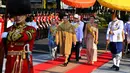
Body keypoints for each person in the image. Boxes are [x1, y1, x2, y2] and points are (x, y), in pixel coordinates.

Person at [2, 0, 37, 73]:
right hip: (9, 63)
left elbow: (22, 37)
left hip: (22, 61)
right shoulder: (8, 29)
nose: (18, 17)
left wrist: (7, 35)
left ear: (26, 15)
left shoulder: (31, 29)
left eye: (20, 15)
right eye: (15, 15)